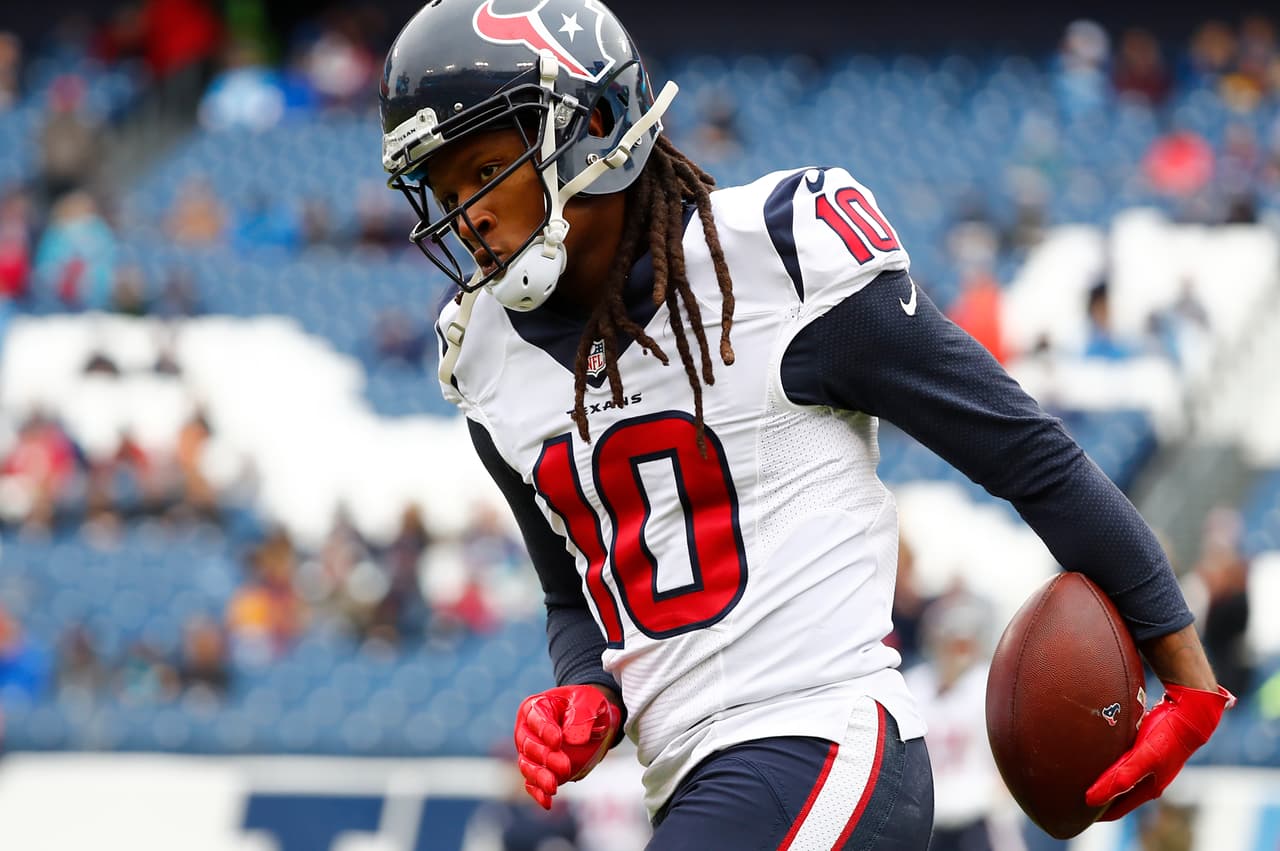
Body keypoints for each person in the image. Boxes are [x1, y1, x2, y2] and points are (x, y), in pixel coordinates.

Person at [378, 2, 1232, 847]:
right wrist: (587, 690)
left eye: (486, 169)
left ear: (594, 124)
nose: (468, 215)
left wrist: (1188, 678)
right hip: (692, 784)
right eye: (445, 191)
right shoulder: (487, 360)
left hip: (825, 740)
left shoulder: (781, 259)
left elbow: (1025, 453)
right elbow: (574, 589)